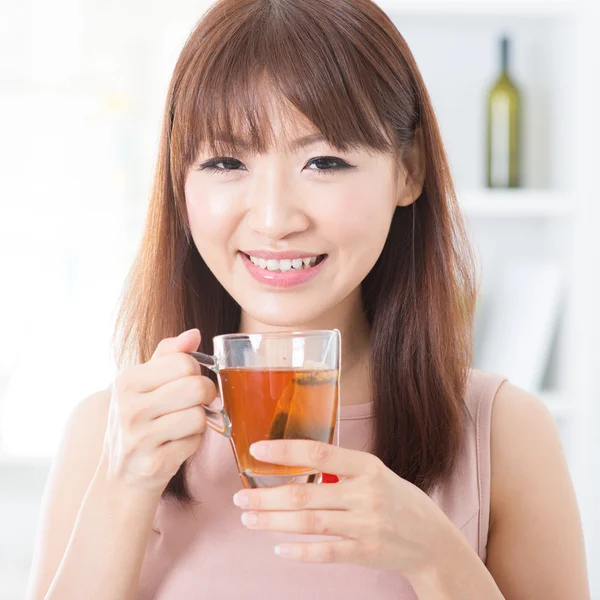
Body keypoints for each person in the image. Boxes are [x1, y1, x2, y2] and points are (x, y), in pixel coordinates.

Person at [26, 0, 590, 598]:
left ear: (409, 169)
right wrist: (122, 489)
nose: (274, 219)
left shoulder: (502, 433)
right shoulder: (109, 433)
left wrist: (437, 557)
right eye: (225, 160)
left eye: (324, 161)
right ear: (178, 179)